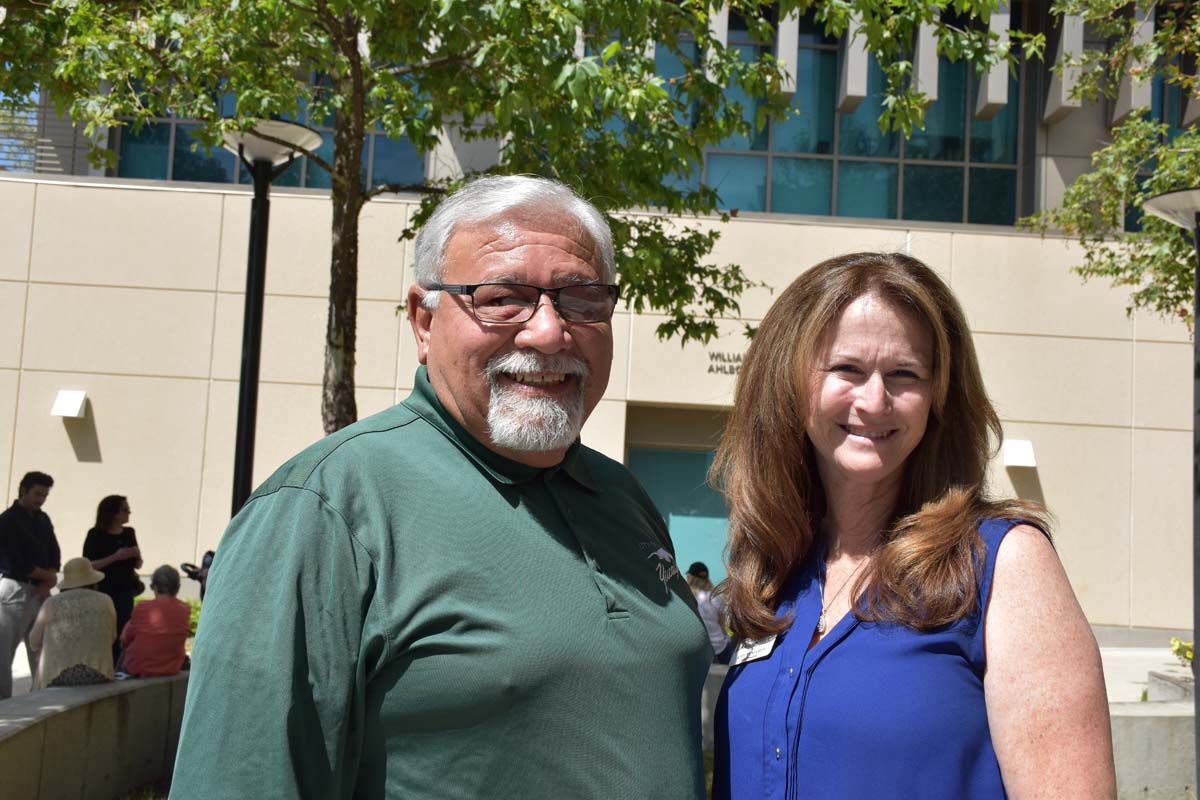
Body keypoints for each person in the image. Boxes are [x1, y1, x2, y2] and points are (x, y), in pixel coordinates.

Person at [171, 175, 711, 798]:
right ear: (424, 321)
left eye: (581, 299)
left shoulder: (623, 497)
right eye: (502, 297)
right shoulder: (324, 511)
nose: (548, 331)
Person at [711, 253, 1116, 799]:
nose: (874, 401)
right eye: (846, 369)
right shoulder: (775, 570)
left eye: (904, 374)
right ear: (787, 382)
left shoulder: (1002, 565)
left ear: (938, 398)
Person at [0, 470, 61, 698]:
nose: (41, 499)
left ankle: (39, 697)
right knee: (4, 653)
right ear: (24, 491)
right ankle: (3, 704)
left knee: (42, 650)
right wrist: (48, 577)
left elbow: (54, 553)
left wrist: (47, 581)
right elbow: (15, 562)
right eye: (37, 494)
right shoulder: (7, 521)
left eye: (45, 495)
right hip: (14, 589)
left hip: (40, 590)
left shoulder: (43, 519)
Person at [28, 556, 116, 689]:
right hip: (99, 674)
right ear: (93, 581)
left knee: (42, 651)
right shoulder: (106, 600)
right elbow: (112, 636)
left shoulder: (51, 603)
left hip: (57, 677)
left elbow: (33, 641)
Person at [83, 494, 143, 665]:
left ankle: (118, 664)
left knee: (123, 627)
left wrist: (136, 556)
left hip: (125, 589)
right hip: (103, 589)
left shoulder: (129, 533)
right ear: (113, 512)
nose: (129, 513)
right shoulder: (95, 534)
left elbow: (137, 565)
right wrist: (115, 557)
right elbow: (89, 564)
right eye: (125, 509)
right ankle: (101, 663)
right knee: (103, 629)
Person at [121, 565, 190, 677]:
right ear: (177, 587)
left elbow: (124, 639)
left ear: (155, 586)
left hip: (138, 668)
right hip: (171, 668)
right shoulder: (185, 610)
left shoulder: (142, 607)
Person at [686, 561, 732, 663]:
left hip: (701, 652)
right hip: (721, 647)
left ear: (690, 577)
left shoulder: (689, 599)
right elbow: (722, 623)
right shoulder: (715, 597)